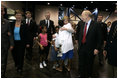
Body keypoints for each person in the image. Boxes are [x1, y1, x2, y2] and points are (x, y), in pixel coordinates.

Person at [75, 10, 102, 77]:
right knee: (81, 63)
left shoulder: (96, 24)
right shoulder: (81, 23)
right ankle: (81, 75)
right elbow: (77, 33)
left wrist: (97, 48)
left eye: (82, 15)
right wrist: (77, 41)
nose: (81, 17)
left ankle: (88, 75)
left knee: (89, 64)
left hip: (91, 48)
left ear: (87, 16)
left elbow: (100, 38)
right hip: (81, 47)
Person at [103, 6, 117, 78]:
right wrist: (106, 48)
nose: (115, 11)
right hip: (111, 55)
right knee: (110, 74)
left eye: (117, 9)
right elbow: (110, 37)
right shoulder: (114, 23)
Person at [1, 6, 14, 78]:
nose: (2, 12)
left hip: (4, 45)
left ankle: (2, 75)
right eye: (1, 10)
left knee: (3, 62)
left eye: (2, 11)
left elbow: (10, 34)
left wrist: (11, 44)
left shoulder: (7, 22)